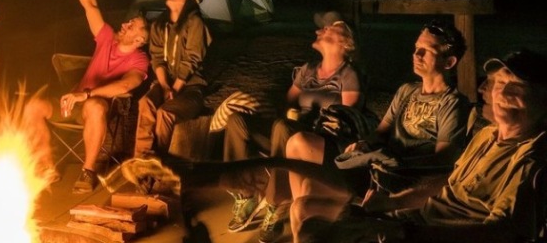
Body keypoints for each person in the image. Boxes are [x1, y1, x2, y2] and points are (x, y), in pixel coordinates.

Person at [295, 48, 547, 243]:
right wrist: (393, 202)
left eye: (517, 87)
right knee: (307, 220)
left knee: (317, 236)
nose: (501, 94)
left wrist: (404, 232)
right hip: (416, 217)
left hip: (432, 234)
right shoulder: (488, 134)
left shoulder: (531, 158)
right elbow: (448, 180)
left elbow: (500, 235)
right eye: (500, 84)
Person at [287, 19, 471, 236]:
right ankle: (318, 229)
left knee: (303, 202)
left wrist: (392, 163)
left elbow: (443, 158)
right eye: (416, 48)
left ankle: (323, 227)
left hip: (397, 180)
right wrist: (365, 144)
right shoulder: (407, 91)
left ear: (449, 62)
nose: (416, 55)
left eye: (426, 51)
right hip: (372, 168)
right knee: (298, 144)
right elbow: (381, 131)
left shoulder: (453, 103)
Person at [222, 16, 370, 243]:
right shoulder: (308, 70)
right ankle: (245, 194)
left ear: (345, 43)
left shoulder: (348, 75)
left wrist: (312, 118)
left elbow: (347, 118)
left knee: (282, 128)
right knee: (236, 121)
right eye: (326, 28)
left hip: (316, 137)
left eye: (334, 29)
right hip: (291, 126)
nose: (325, 30)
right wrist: (290, 113)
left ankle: (274, 204)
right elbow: (288, 102)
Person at [22, 0, 149, 194]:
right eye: (127, 22)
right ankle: (48, 167)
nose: (124, 24)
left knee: (94, 105)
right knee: (32, 106)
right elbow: (90, 5)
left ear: (138, 40)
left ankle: (88, 170)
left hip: (98, 108)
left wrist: (87, 94)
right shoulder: (106, 38)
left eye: (131, 25)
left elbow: (125, 86)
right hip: (73, 103)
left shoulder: (139, 60)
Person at [133, 0, 211, 159]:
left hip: (191, 89)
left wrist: (175, 89)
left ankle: (158, 161)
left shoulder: (195, 23)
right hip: (165, 83)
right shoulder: (160, 24)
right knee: (146, 103)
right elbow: (157, 58)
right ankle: (141, 160)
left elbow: (192, 59)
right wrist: (165, 86)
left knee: (165, 113)